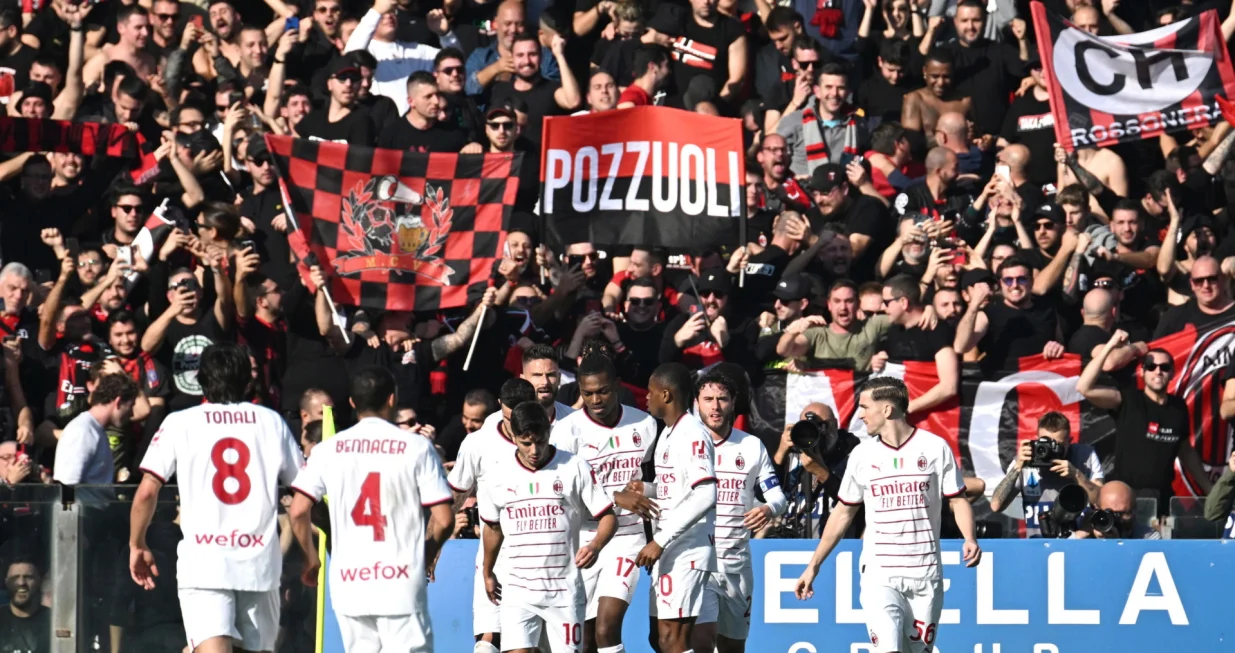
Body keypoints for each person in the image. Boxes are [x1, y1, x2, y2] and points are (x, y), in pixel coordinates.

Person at [129, 344, 306, 653]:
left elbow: (146, 491)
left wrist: (137, 543)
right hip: (258, 563)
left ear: (201, 380)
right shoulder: (271, 421)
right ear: (248, 382)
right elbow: (303, 490)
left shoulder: (180, 422)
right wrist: (312, 550)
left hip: (205, 562)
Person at [794, 377, 981, 653]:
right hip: (879, 573)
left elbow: (957, 499)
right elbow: (843, 512)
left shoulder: (934, 447)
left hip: (925, 572)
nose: (860, 415)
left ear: (886, 410)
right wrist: (813, 565)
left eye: (865, 407)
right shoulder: (862, 455)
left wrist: (970, 537)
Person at [288, 365, 454, 653]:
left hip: (350, 584)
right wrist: (425, 554)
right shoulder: (416, 447)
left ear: (352, 403)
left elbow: (298, 510)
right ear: (392, 399)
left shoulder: (327, 450)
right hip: (400, 582)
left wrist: (312, 558)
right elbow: (443, 518)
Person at [479, 401, 618, 653]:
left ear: (549, 432)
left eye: (540, 441)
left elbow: (608, 516)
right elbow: (492, 528)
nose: (534, 450)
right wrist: (488, 572)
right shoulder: (497, 475)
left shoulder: (575, 466)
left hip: (564, 593)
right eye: (526, 443)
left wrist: (595, 545)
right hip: (518, 592)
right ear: (513, 436)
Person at [549, 354, 659, 653]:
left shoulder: (645, 424)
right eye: (588, 393)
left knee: (607, 628)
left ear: (618, 386)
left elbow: (661, 482)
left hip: (628, 540)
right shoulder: (566, 431)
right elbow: (559, 494)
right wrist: (614, 497)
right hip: (585, 540)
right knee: (584, 640)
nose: (595, 399)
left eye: (603, 391)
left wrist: (646, 488)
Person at [691, 371, 785, 653]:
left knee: (732, 647)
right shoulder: (683, 444)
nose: (715, 406)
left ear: (733, 402)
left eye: (722, 399)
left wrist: (768, 509)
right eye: (708, 399)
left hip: (736, 565)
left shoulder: (751, 446)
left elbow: (778, 497)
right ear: (696, 403)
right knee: (702, 642)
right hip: (699, 562)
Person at [627, 363, 718, 653]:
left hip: (685, 549)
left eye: (651, 392)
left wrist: (660, 540)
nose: (646, 398)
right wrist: (648, 490)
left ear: (665, 395)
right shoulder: (667, 433)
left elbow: (706, 494)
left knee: (672, 640)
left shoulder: (692, 433)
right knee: (659, 639)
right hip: (670, 549)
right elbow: (679, 488)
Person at [447, 378, 537, 652]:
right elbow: (458, 491)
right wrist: (436, 537)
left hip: (541, 554)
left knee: (529, 643)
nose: (516, 425)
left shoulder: (551, 436)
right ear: (500, 408)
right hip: (494, 550)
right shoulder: (478, 442)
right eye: (510, 418)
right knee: (488, 638)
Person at [1077, 331, 1213, 511]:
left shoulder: (1178, 407)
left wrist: (1210, 490)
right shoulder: (1128, 400)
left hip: (1162, 499)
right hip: (1126, 498)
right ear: (1142, 372)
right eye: (1151, 366)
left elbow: (1185, 450)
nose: (1158, 371)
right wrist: (1110, 344)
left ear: (1172, 373)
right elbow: (1084, 387)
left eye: (1164, 367)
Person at [987, 411, 1104, 537]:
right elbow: (996, 505)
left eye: (1057, 446)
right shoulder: (1026, 460)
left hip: (1078, 542)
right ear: (1037, 440)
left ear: (1069, 442)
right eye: (1045, 443)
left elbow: (1102, 503)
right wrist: (1017, 467)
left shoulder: (1085, 456)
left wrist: (1077, 475)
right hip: (1038, 544)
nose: (1050, 450)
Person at [53, 373, 139, 485]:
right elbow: (67, 487)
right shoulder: (83, 431)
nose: (132, 413)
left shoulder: (95, 430)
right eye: (130, 405)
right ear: (118, 402)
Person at [1070, 481, 1161, 540]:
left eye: (1121, 514)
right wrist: (1080, 536)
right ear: (1096, 509)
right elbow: (1060, 557)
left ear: (1134, 511)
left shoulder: (1147, 537)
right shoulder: (1083, 528)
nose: (1114, 520)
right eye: (1108, 513)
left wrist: (1117, 544)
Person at [0, 558, 48, 653]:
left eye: (28, 577)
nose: (21, 583)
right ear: (7, 582)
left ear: (39, 581)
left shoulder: (53, 621)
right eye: (15, 578)